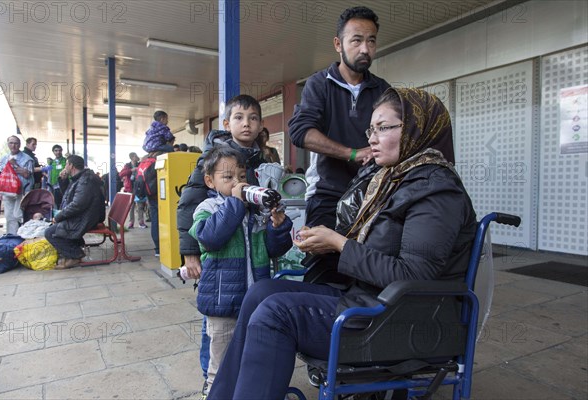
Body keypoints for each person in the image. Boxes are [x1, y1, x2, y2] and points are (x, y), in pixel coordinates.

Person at [206, 87, 478, 400]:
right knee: (261, 291)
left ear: (418, 127)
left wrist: (339, 244)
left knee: (275, 313)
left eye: (384, 128)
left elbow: (414, 277)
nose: (372, 138)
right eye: (371, 129)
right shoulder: (393, 179)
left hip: (404, 321)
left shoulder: (436, 190)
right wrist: (330, 244)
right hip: (372, 301)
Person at [177, 94, 267, 398]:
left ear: (260, 125)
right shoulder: (214, 158)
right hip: (218, 258)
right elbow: (189, 202)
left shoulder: (260, 159)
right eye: (239, 118)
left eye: (253, 118)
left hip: (247, 259)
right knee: (215, 323)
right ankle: (210, 380)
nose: (247, 124)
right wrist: (190, 252)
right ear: (227, 124)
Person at [188, 146, 293, 395]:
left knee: (253, 357)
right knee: (221, 363)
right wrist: (235, 203)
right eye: (228, 178)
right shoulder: (207, 209)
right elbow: (211, 238)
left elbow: (273, 250)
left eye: (242, 177)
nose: (238, 183)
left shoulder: (255, 213)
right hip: (223, 302)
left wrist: (277, 228)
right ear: (210, 181)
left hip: (255, 300)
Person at [288, 6, 390, 229]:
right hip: (327, 195)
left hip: (372, 195)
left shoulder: (383, 89)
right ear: (338, 44)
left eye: (371, 41)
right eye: (356, 40)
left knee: (368, 261)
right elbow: (300, 132)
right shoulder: (319, 84)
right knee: (322, 259)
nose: (365, 49)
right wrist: (351, 153)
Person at [45, 155, 105, 269]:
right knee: (55, 226)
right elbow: (69, 196)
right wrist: (63, 180)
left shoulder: (85, 181)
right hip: (85, 215)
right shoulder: (80, 178)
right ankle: (73, 249)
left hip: (86, 218)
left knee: (49, 233)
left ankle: (75, 255)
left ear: (71, 165)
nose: (65, 167)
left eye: (66, 164)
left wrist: (59, 217)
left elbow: (77, 204)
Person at [0, 136, 34, 234]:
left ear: (19, 145)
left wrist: (14, 165)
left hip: (21, 191)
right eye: (11, 143)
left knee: (19, 215)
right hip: (7, 192)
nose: (13, 145)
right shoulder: (4, 158)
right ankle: (12, 236)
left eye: (16, 143)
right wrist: (0, 192)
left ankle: (22, 235)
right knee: (9, 216)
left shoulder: (27, 159)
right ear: (8, 144)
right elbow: (1, 175)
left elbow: (27, 174)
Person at [119, 152, 144, 228]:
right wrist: (131, 170)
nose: (137, 157)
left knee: (140, 205)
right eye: (136, 156)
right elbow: (121, 174)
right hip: (130, 188)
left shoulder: (140, 164)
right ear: (132, 157)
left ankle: (141, 222)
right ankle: (131, 222)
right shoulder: (127, 165)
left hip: (139, 187)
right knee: (131, 206)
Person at [48, 144, 67, 209]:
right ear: (53, 152)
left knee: (65, 202)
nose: (58, 152)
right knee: (57, 203)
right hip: (55, 186)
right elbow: (49, 173)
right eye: (56, 151)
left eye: (59, 150)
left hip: (64, 185)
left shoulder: (66, 161)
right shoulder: (52, 162)